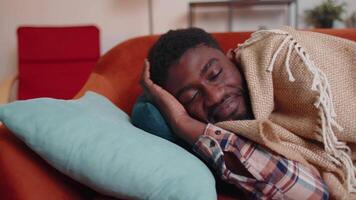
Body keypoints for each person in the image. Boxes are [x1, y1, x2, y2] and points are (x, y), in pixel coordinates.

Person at [141, 27, 329, 199]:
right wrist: (181, 122)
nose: (214, 96)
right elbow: (313, 194)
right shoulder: (213, 152)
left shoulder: (286, 81)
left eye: (215, 74)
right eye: (192, 96)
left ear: (232, 59)